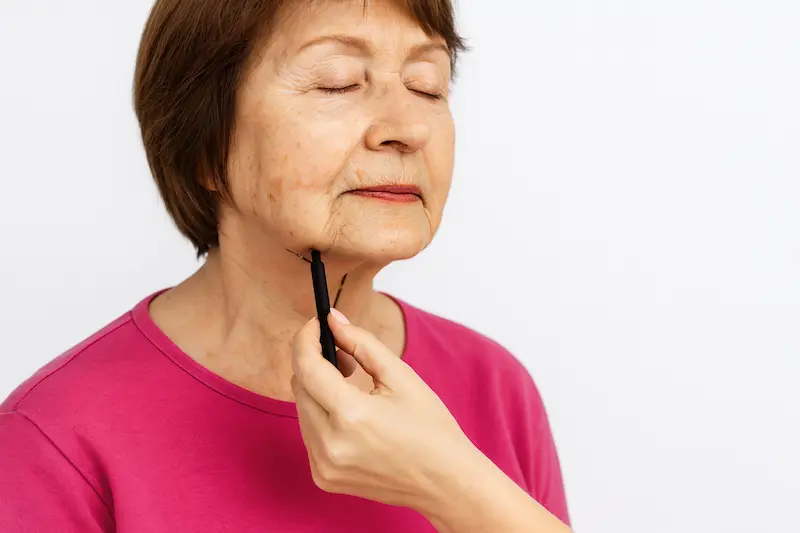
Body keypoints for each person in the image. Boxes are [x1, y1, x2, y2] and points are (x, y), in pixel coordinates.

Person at [0, 0, 571, 531]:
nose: (409, 128)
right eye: (338, 82)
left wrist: (453, 485)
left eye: (428, 86)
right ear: (205, 141)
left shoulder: (496, 387)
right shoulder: (54, 440)